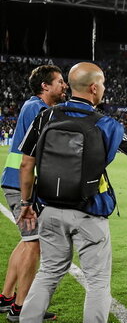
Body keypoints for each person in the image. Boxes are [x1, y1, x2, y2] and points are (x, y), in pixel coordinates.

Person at [16, 62, 127, 322]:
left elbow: (26, 163)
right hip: (89, 212)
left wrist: (25, 203)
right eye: (102, 84)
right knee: (97, 281)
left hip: (49, 210)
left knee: (48, 272)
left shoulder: (46, 116)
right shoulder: (104, 123)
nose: (104, 88)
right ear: (93, 87)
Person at [0, 65, 67, 321]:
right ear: (45, 86)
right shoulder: (37, 109)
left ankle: (6, 297)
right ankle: (21, 308)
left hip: (17, 180)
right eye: (59, 82)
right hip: (21, 183)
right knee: (35, 244)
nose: (64, 86)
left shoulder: (33, 106)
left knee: (27, 241)